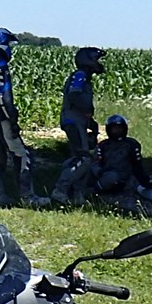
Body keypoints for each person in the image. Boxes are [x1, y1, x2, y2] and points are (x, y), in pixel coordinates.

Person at [0, 27, 42, 206]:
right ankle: (28, 197)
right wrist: (12, 120)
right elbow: (4, 95)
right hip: (2, 117)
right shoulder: (0, 65)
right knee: (22, 154)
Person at [51, 46, 108, 205]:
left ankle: (77, 195)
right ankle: (60, 190)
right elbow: (75, 95)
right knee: (84, 158)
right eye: (96, 59)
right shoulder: (80, 75)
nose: (98, 63)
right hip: (73, 122)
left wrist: (90, 122)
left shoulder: (84, 77)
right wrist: (88, 110)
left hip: (78, 121)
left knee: (81, 158)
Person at [72, 115, 152, 203]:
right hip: (103, 174)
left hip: (122, 178)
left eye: (119, 128)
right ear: (108, 130)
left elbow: (138, 166)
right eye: (114, 129)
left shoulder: (132, 144)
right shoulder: (103, 145)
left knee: (113, 177)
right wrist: (99, 172)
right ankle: (77, 190)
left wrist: (146, 183)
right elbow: (96, 161)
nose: (117, 131)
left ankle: (93, 191)